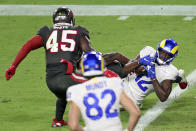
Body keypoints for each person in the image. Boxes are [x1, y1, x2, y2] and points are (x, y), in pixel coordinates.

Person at [5, 7, 94, 127]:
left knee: (63, 93)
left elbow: (28, 46)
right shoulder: (78, 31)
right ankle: (100, 116)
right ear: (71, 19)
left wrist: (13, 66)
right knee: (96, 83)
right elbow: (90, 53)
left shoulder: (46, 31)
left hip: (51, 81)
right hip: (66, 78)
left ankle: (58, 120)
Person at [67, 51, 141, 131]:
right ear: (102, 66)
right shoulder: (115, 83)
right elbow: (135, 113)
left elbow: (73, 126)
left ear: (82, 68)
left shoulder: (75, 90)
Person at [103, 39, 188, 107]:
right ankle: (179, 78)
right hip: (124, 81)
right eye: (162, 52)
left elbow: (163, 97)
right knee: (112, 59)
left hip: (130, 98)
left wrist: (153, 77)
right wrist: (139, 62)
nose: (163, 56)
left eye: (168, 55)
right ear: (158, 49)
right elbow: (125, 71)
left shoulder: (170, 72)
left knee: (101, 100)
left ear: (172, 57)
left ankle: (178, 78)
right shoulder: (149, 51)